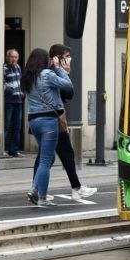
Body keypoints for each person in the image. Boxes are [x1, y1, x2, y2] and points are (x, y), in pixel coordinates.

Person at [32, 44, 97, 202]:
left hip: (41, 119)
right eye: (66, 56)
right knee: (53, 156)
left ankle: (41, 190)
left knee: (53, 156)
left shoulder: (38, 74)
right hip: (52, 119)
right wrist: (64, 72)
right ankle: (39, 191)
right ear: (57, 58)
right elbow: (69, 90)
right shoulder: (50, 73)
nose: (69, 59)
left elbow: (68, 94)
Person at [22, 48, 72, 207]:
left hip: (33, 120)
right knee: (45, 159)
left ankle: (41, 195)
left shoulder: (27, 77)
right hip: (49, 119)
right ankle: (36, 191)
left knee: (48, 157)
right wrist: (59, 69)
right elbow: (68, 85)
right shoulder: (47, 74)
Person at [3, 49, 24, 157]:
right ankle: (1, 150)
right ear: (7, 57)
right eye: (12, 57)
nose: (14, 59)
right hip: (8, 101)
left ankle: (13, 150)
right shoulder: (4, 68)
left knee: (17, 126)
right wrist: (9, 90)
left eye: (16, 57)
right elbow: (1, 83)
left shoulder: (18, 67)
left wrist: (22, 92)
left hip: (18, 100)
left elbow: (20, 81)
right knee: (6, 125)